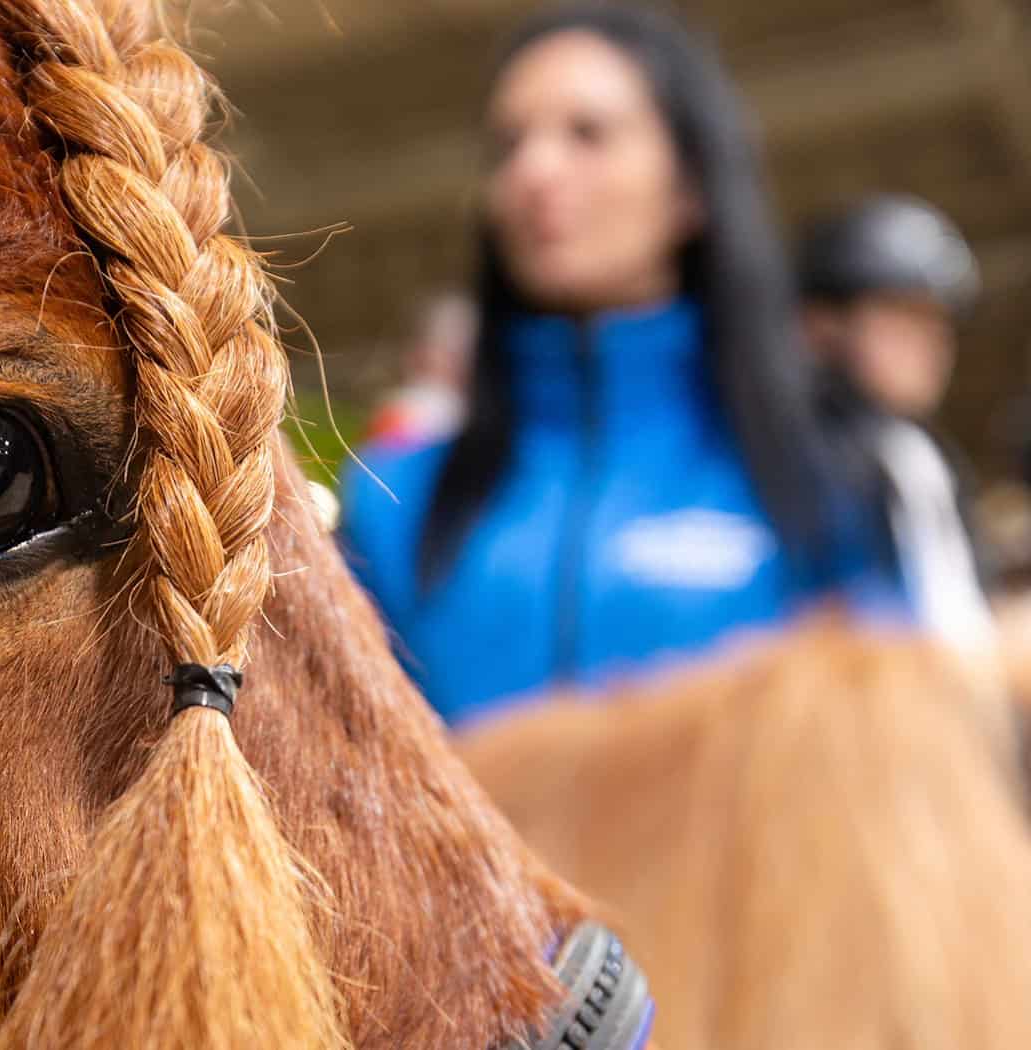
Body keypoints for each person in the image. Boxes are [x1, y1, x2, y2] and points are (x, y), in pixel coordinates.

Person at [339, 2, 904, 727]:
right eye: (508, 144)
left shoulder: (827, 472)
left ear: (691, 188)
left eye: (589, 134)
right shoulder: (395, 499)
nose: (534, 171)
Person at [800, 195, 996, 649]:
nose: (932, 343)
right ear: (821, 324)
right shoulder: (805, 453)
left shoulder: (918, 452)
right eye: (902, 314)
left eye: (937, 323)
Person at [362, 292, 478, 448]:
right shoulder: (405, 411)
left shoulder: (486, 409)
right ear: (419, 352)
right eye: (450, 351)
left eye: (466, 350)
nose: (459, 361)